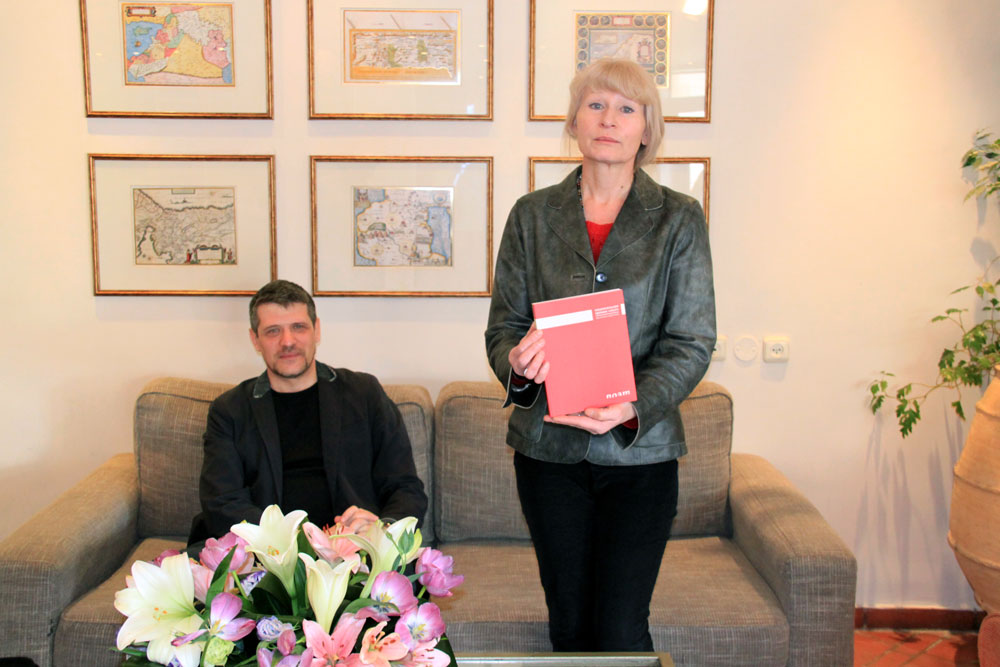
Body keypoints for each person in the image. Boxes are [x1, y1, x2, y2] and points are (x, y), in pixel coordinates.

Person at [484, 59, 716, 652]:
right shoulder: (531, 215)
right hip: (548, 454)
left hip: (640, 456)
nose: (609, 119)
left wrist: (632, 405)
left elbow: (691, 340)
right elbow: (503, 329)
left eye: (626, 108)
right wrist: (518, 364)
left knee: (619, 629)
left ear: (646, 129)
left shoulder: (679, 219)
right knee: (569, 626)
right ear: (574, 122)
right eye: (595, 105)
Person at [188, 279, 427, 546]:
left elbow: (405, 487)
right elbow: (222, 502)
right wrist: (296, 540)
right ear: (255, 340)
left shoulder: (364, 394)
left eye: (298, 327)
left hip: (354, 547)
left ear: (317, 330)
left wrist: (383, 530)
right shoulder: (230, 411)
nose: (288, 341)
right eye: (273, 331)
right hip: (268, 551)